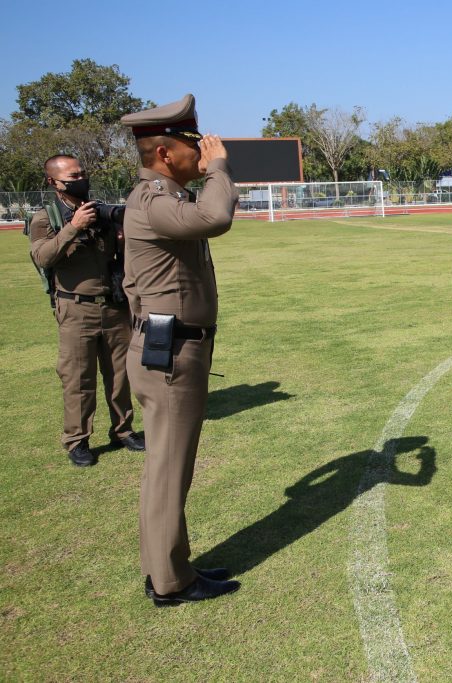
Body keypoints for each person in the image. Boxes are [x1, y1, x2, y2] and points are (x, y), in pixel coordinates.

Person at [120, 94, 240, 605]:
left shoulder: (162, 198)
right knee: (169, 470)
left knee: (167, 468)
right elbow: (217, 216)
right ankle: (171, 581)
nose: (203, 152)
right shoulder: (153, 200)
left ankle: (168, 566)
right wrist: (220, 169)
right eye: (195, 145)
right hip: (171, 351)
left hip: (168, 345)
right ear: (166, 154)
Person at [29, 155, 144, 467]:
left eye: (82, 174)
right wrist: (73, 227)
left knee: (120, 374)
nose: (81, 180)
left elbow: (120, 258)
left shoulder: (100, 212)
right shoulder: (45, 218)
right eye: (73, 177)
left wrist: (122, 238)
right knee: (78, 379)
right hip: (75, 308)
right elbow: (42, 257)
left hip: (113, 306)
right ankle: (77, 440)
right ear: (54, 183)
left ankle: (123, 430)